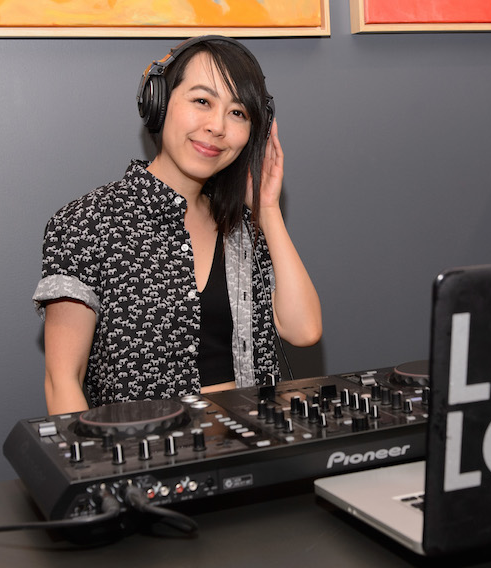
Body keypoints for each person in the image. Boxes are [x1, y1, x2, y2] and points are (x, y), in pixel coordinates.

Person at [33, 36, 322, 415]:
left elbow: (304, 330)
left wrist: (267, 208)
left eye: (238, 113)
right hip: (146, 459)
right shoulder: (89, 223)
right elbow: (62, 379)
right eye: (202, 101)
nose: (217, 126)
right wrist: (103, 471)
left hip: (257, 451)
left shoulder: (244, 227)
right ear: (159, 102)